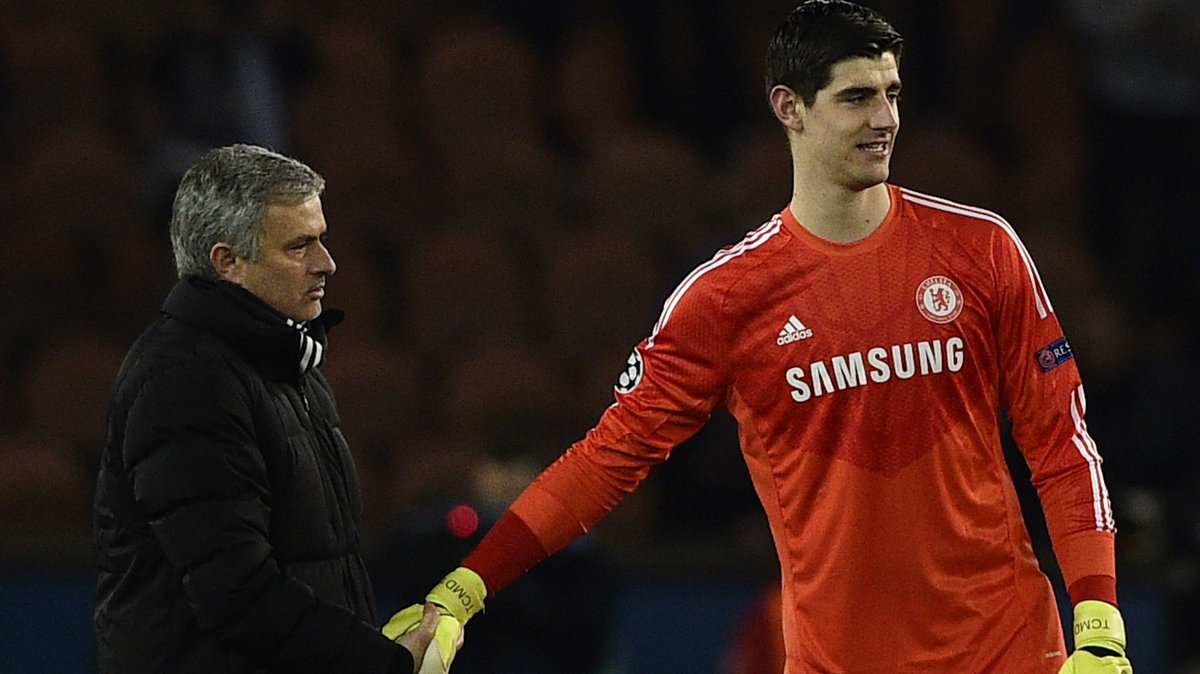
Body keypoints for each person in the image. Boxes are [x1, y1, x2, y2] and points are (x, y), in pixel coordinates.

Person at [387, 2, 1133, 672]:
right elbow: (605, 461)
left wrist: (1098, 623)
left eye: (892, 94)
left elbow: (1061, 444)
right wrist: (463, 590)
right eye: (856, 98)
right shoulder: (727, 301)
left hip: (1010, 654)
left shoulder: (982, 249)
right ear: (790, 107)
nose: (884, 120)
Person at [93, 144, 453, 673]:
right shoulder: (185, 380)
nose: (326, 264)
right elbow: (237, 592)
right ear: (227, 262)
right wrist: (381, 663)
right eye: (299, 246)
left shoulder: (287, 366)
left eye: (321, 240)